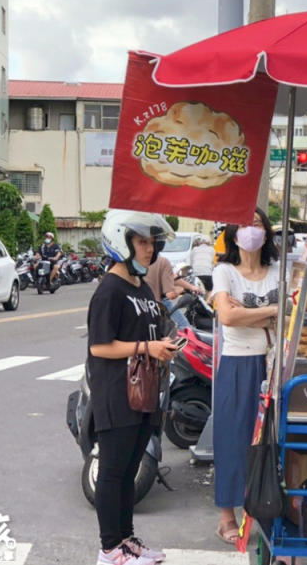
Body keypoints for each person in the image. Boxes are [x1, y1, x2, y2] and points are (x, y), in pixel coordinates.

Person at [88, 210, 177, 565]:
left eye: (152, 242)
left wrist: (164, 347)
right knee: (112, 472)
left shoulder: (141, 286)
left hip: (145, 391)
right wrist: (146, 349)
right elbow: (99, 345)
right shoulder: (110, 289)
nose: (149, 248)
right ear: (120, 242)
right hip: (117, 392)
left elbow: (150, 333)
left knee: (129, 470)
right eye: (141, 241)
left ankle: (127, 540)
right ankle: (109, 549)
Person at [211, 208, 281, 545]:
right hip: (238, 362)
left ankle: (267, 504)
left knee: (272, 438)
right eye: (243, 224)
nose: (250, 229)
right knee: (233, 438)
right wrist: (272, 311)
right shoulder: (225, 272)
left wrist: (247, 313)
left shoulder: (279, 271)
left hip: (275, 363)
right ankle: (227, 514)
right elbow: (226, 316)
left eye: (256, 223)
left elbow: (293, 315)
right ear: (232, 233)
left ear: (266, 233)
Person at [143, 254, 202, 331]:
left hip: (144, 303)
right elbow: (171, 295)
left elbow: (173, 278)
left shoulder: (141, 262)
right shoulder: (162, 262)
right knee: (185, 327)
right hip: (159, 303)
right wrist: (182, 290)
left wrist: (191, 287)